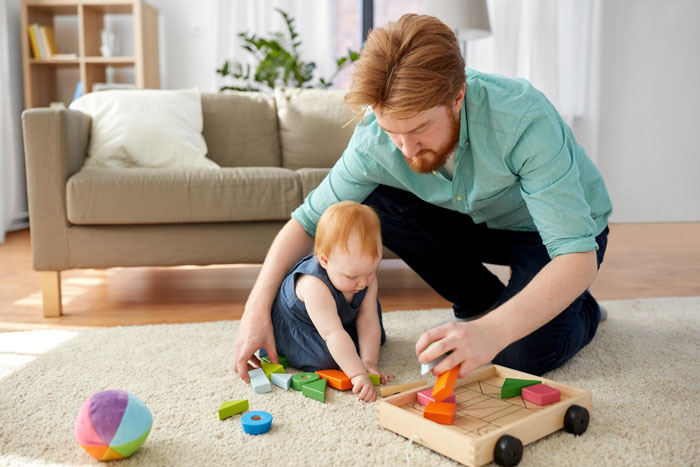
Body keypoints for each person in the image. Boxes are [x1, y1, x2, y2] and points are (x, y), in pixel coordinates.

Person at [234, 14, 612, 382]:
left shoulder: (523, 119)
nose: (407, 149)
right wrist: (255, 311)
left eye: (419, 129)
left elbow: (576, 258)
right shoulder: (375, 142)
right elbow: (307, 222)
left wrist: (494, 331)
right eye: (392, 132)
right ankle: (480, 303)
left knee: (515, 356)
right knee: (374, 202)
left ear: (457, 95)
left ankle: (584, 309)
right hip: (473, 220)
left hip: (549, 235)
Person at [267, 201, 392, 402]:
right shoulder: (313, 284)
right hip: (302, 325)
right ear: (325, 261)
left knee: (372, 329)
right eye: (352, 276)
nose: (362, 282)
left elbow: (368, 320)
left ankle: (354, 347)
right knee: (329, 358)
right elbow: (332, 333)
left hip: (337, 316)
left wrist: (368, 362)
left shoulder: (364, 278)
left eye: (371, 272)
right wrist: (358, 374)